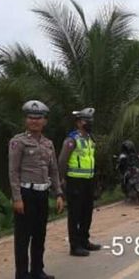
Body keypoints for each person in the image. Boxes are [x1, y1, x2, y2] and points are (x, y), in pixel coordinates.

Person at [8, 100, 65, 279]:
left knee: (40, 234)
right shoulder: (18, 142)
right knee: (23, 238)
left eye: (38, 118)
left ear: (45, 121)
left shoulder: (48, 144)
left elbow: (54, 170)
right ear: (26, 120)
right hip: (26, 193)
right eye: (31, 118)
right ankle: (21, 278)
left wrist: (58, 193)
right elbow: (13, 172)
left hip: (42, 193)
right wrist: (17, 198)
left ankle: (37, 271)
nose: (35, 121)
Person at [58, 107, 100, 257]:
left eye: (90, 120)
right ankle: (74, 246)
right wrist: (61, 180)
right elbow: (62, 161)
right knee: (75, 214)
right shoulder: (72, 140)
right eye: (85, 120)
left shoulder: (90, 139)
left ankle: (84, 240)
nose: (89, 123)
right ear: (78, 123)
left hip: (88, 181)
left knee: (87, 212)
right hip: (75, 181)